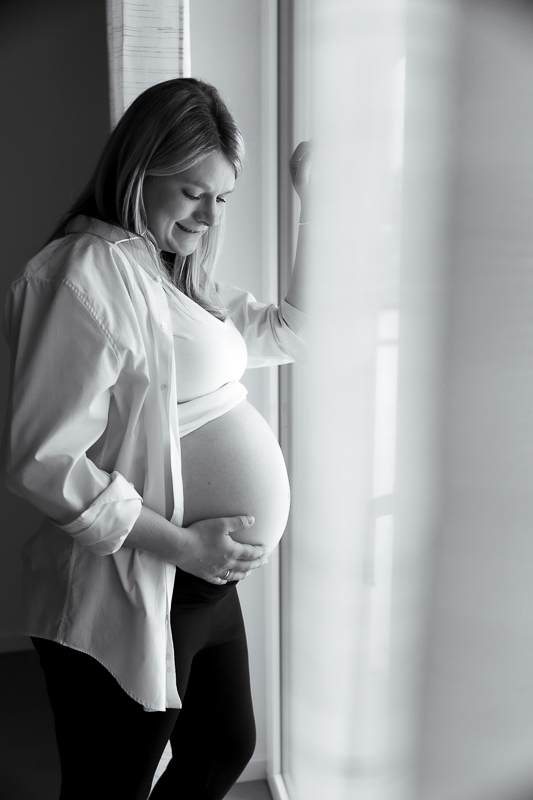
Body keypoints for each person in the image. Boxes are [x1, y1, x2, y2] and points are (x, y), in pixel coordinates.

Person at [1, 77, 311, 800]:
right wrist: (184, 545)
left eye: (222, 197)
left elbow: (293, 330)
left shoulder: (167, 274)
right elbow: (40, 460)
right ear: (140, 173)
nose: (208, 215)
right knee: (110, 785)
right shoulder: (82, 273)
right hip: (142, 578)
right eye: (192, 192)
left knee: (222, 749)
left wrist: (313, 200)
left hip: (202, 584)